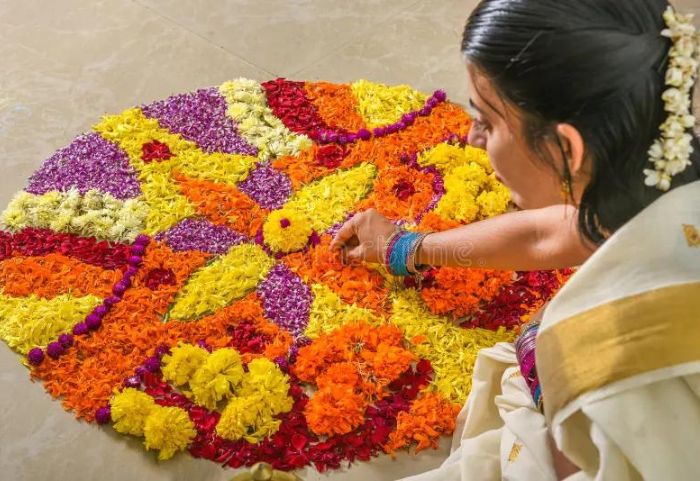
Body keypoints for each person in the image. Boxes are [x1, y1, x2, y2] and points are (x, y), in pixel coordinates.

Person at [331, 0, 700, 479]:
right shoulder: (663, 167)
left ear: (564, 147)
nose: (470, 139)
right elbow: (560, 232)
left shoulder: (609, 367)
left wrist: (544, 390)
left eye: (485, 120)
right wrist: (406, 248)